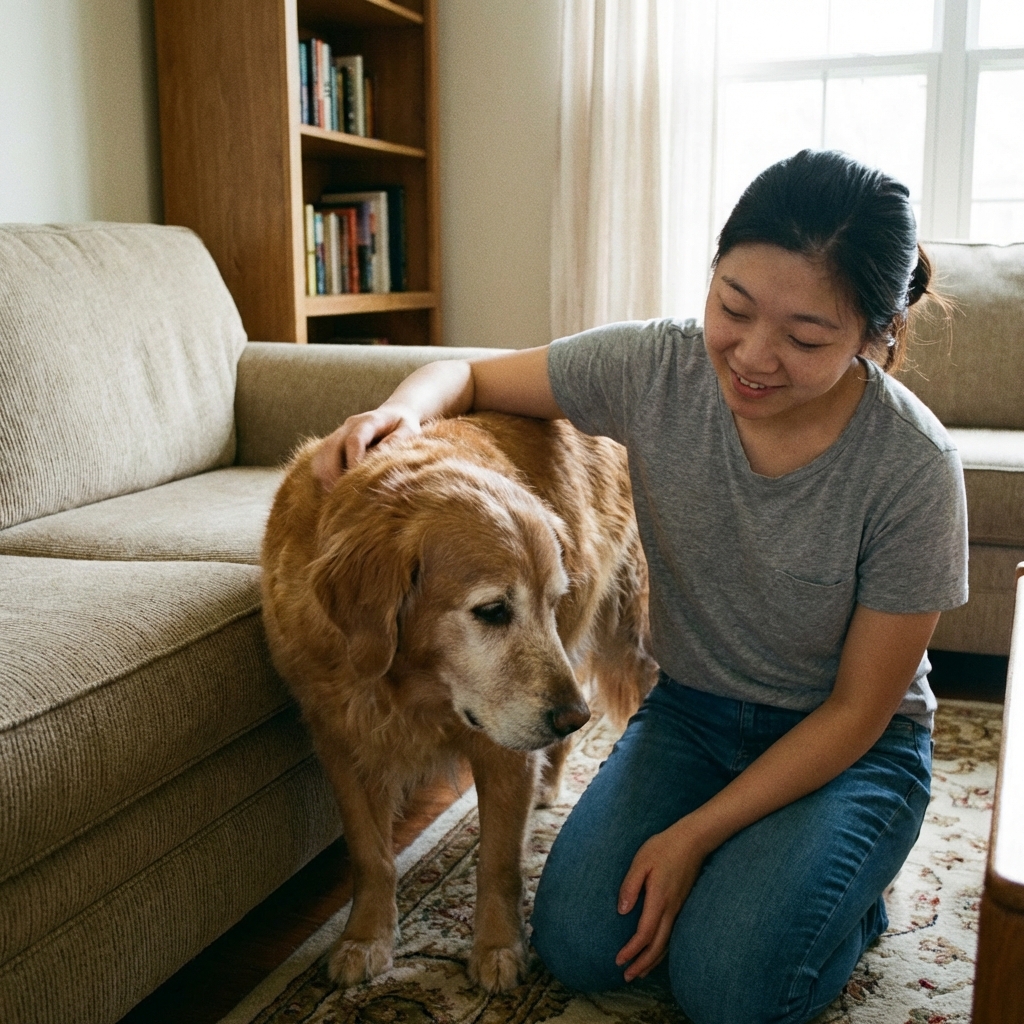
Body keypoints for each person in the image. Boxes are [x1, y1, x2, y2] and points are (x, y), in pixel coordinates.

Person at [312, 149, 968, 1024]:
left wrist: (695, 837)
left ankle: (852, 893)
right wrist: (397, 410)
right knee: (582, 946)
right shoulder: (659, 368)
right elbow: (470, 375)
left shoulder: (913, 468)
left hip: (847, 747)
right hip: (694, 716)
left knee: (728, 990)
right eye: (732, 307)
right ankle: (772, 880)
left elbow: (858, 712)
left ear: (876, 336)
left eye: (807, 338)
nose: (754, 357)